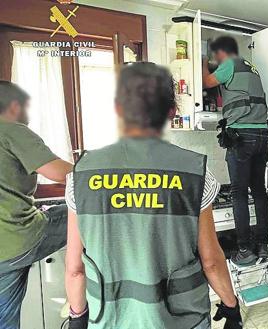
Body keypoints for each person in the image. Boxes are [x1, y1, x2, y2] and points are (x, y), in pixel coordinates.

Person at [64, 62, 242, 329]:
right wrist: (231, 305)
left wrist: (78, 317)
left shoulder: (80, 176)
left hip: (111, 319)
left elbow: (75, 268)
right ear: (171, 111)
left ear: (118, 109)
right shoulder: (195, 173)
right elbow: (212, 261)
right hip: (182, 318)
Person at [0, 81, 73, 329]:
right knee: (82, 212)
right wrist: (101, 173)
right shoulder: (12, 130)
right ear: (14, 106)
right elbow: (58, 173)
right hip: (15, 237)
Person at [203, 36, 268, 266]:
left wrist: (203, 62)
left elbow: (206, 81)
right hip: (262, 136)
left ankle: (244, 250)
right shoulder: (252, 68)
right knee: (259, 191)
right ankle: (262, 246)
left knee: (238, 193)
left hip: (242, 136)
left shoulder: (229, 64)